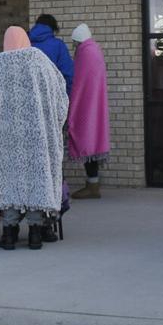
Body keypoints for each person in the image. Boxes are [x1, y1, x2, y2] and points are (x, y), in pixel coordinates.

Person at [0, 26, 70, 251]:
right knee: (37, 177)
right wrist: (52, 123)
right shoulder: (39, 60)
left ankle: (9, 232)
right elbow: (60, 96)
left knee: (6, 180)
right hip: (37, 137)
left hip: (3, 138)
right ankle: (36, 232)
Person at [67, 24, 110, 200]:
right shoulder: (95, 50)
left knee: (87, 141)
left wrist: (72, 105)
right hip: (95, 106)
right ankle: (93, 182)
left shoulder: (85, 53)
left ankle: (93, 185)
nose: (74, 47)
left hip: (85, 107)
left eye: (74, 43)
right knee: (92, 140)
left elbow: (79, 82)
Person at [28, 14, 74, 93]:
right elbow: (68, 74)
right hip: (52, 95)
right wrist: (68, 95)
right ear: (53, 28)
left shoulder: (26, 43)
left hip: (31, 95)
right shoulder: (58, 45)